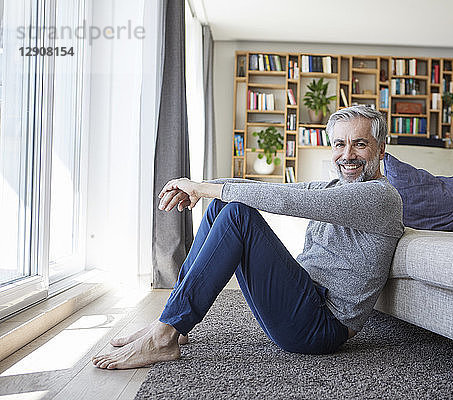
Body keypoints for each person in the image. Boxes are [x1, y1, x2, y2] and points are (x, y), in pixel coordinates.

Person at [92, 105, 404, 370]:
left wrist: (200, 187)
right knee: (222, 205)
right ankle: (171, 322)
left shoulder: (380, 196)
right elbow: (272, 190)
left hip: (321, 326)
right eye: (339, 144)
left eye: (360, 144)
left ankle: (163, 337)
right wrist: (201, 186)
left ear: (380, 148)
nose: (347, 155)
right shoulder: (332, 188)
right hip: (303, 299)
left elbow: (286, 203)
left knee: (239, 215)